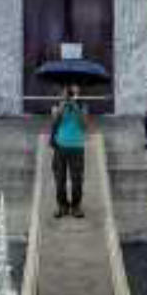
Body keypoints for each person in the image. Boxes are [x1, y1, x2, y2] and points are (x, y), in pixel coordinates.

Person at [48, 87, 88, 215]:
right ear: (62, 93)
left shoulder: (82, 106)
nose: (71, 94)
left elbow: (84, 125)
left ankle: (76, 206)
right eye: (68, 91)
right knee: (60, 179)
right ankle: (62, 205)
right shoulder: (57, 105)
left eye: (74, 91)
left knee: (77, 179)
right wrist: (62, 107)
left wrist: (76, 108)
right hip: (61, 146)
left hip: (77, 147)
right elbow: (54, 122)